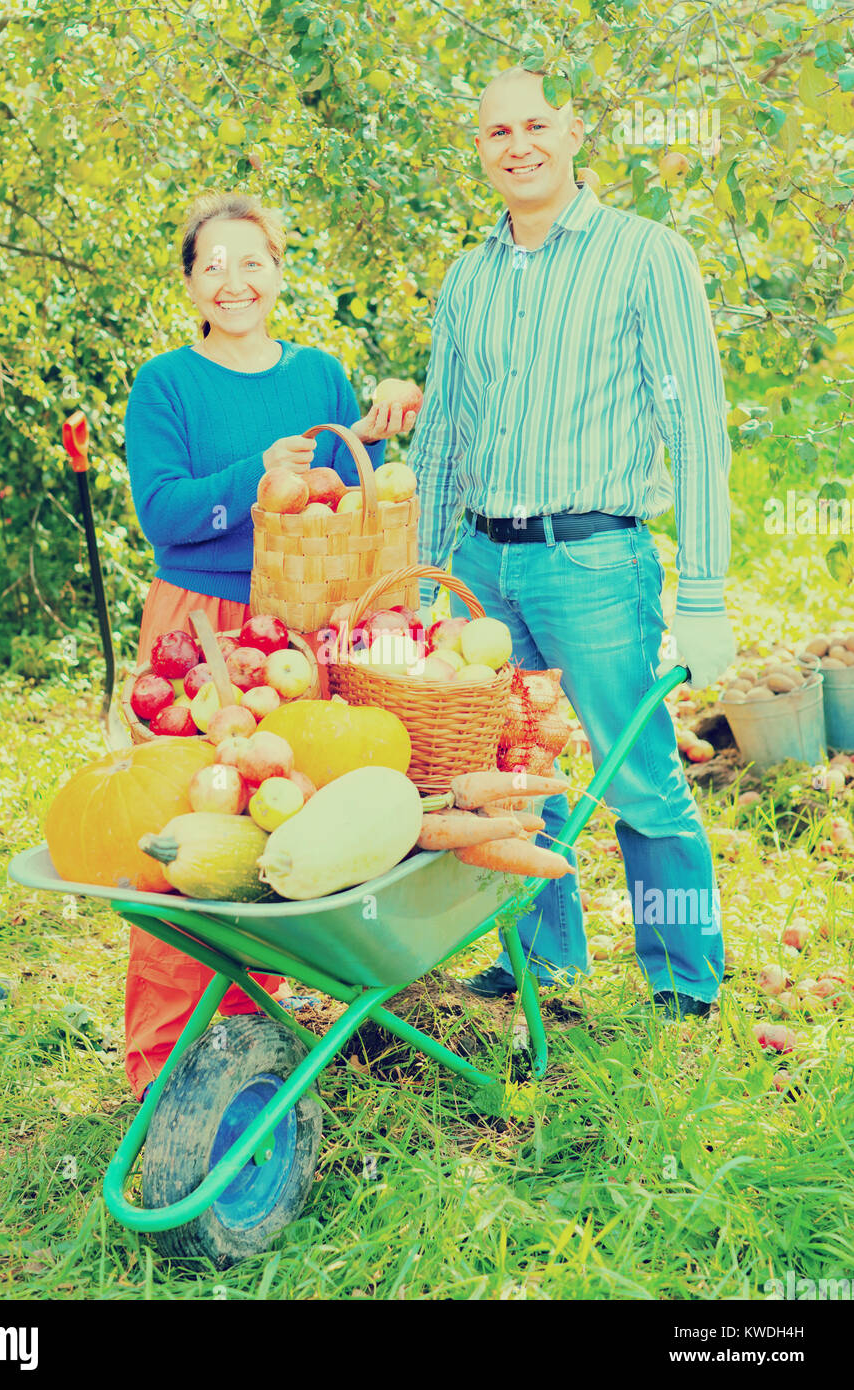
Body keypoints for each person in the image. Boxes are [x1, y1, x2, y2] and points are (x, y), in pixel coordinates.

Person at [406, 68, 736, 1020]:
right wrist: (429, 588)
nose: (517, 145)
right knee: (509, 786)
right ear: (479, 147)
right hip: (483, 571)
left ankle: (680, 981)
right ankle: (540, 964)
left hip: (593, 561)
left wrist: (703, 591)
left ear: (573, 132)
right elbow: (441, 443)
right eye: (495, 130)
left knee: (637, 781)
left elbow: (698, 430)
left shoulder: (645, 256)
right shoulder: (468, 278)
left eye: (535, 125)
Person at [122, 191, 414, 1099]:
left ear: (279, 273)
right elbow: (162, 511)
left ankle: (251, 1036)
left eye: (252, 261)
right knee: (180, 836)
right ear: (189, 282)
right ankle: (165, 1064)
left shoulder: (317, 372)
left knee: (281, 829)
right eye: (212, 264)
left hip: (297, 632)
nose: (233, 280)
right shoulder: (165, 383)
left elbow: (344, 490)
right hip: (198, 633)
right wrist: (255, 474)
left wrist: (382, 417)